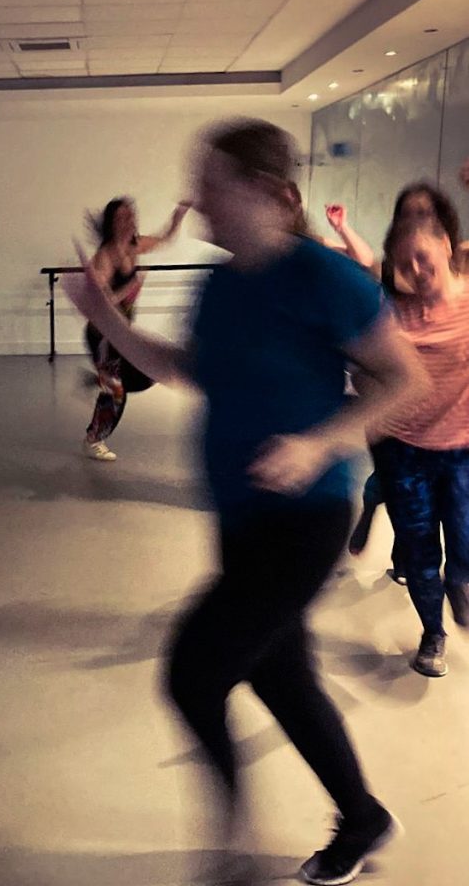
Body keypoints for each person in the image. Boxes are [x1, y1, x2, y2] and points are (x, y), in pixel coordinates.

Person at [63, 119, 423, 885]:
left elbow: (404, 382)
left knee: (192, 674)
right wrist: (103, 318)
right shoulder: (220, 283)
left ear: (267, 193)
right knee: (279, 673)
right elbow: (185, 368)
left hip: (305, 517)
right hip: (239, 515)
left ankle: (227, 849)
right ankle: (361, 818)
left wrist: (317, 443)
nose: (195, 198)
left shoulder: (325, 279)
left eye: (212, 183)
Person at [370, 214, 469, 677]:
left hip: (463, 452)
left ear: (448, 247)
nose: (415, 269)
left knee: (464, 544)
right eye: (404, 263)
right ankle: (433, 633)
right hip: (405, 452)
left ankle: (462, 580)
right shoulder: (390, 310)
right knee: (420, 552)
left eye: (422, 256)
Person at [82, 196, 189, 461]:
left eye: (131, 216)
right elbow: (99, 305)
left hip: (121, 333)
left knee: (147, 371)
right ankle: (93, 439)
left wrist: (178, 217)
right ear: (111, 223)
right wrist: (131, 287)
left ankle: (98, 379)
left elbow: (165, 238)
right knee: (116, 392)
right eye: (121, 217)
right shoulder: (105, 256)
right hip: (103, 336)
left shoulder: (134, 245)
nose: (128, 221)